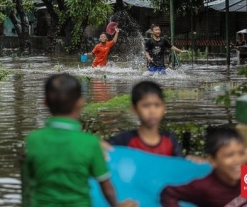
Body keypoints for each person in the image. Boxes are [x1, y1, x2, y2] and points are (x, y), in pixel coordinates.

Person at [24, 73, 137, 207]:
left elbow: (28, 184)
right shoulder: (90, 143)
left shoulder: (33, 140)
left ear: (45, 102)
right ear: (80, 102)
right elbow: (106, 187)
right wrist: (116, 205)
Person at [160, 126, 246, 207]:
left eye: (241, 153)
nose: (238, 160)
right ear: (212, 160)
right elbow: (169, 193)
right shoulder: (205, 186)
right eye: (229, 155)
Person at [106, 81, 183, 156]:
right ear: (134, 109)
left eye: (157, 105)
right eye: (146, 105)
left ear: (164, 108)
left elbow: (181, 164)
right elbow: (101, 149)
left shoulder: (170, 140)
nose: (152, 111)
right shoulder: (124, 140)